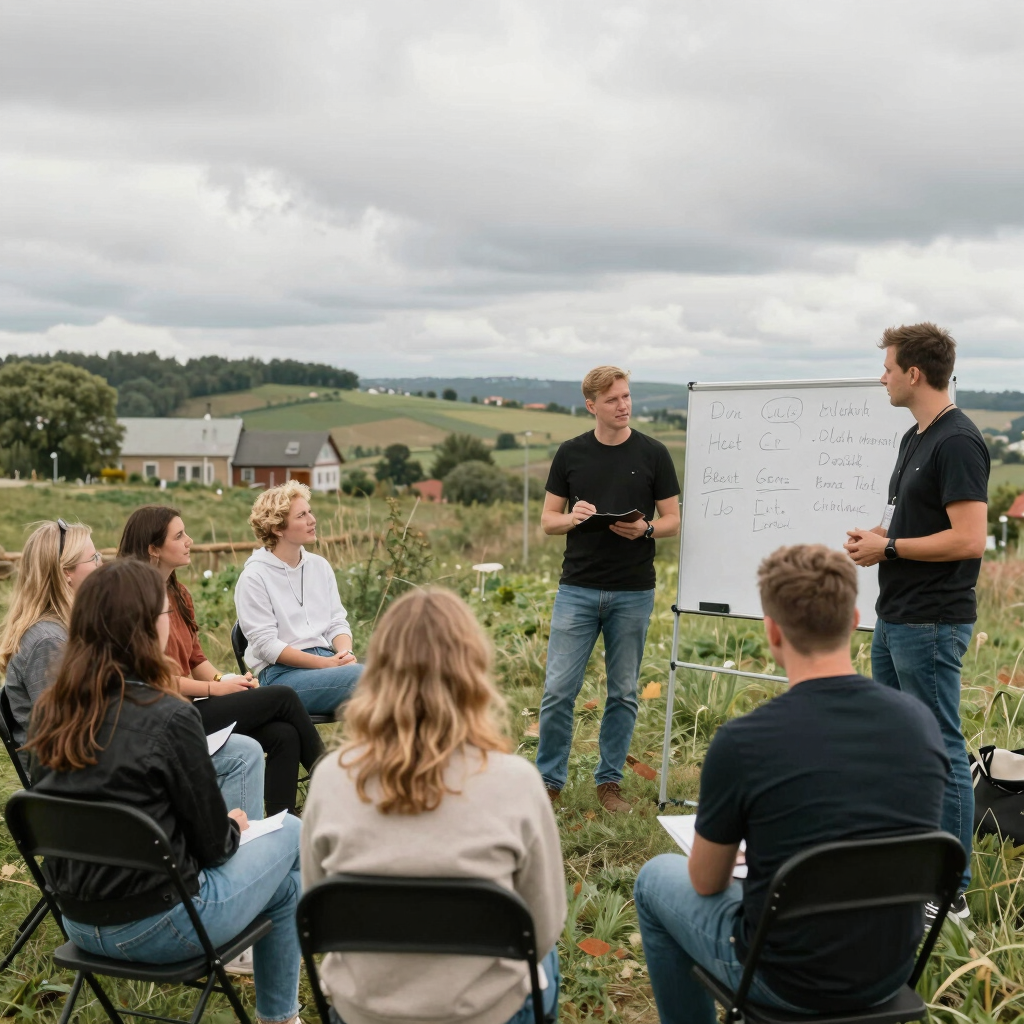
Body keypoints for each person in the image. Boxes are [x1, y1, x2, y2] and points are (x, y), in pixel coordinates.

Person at [633, 545, 949, 1024]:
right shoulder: (921, 724)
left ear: (772, 630)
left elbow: (705, 881)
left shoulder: (742, 743)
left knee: (655, 878)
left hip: (784, 979)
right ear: (854, 618)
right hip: (889, 972)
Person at [25, 560, 303, 1024]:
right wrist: (233, 826)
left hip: (78, 921)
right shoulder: (169, 716)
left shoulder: (52, 713)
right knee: (291, 830)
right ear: (142, 629)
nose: (167, 622)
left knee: (285, 885)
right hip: (163, 924)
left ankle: (283, 1009)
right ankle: (283, 1014)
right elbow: (214, 849)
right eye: (162, 615)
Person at [301, 588, 566, 1024]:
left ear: (378, 673)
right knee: (547, 961)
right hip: (483, 1012)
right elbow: (542, 927)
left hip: (364, 1011)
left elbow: (316, 909)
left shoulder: (330, 777)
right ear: (472, 670)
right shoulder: (517, 782)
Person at [845, 322, 989, 914]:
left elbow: (969, 539)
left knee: (942, 749)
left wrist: (892, 550)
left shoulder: (958, 441)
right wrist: (878, 535)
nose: (881, 376)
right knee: (900, 741)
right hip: (896, 615)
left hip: (931, 621)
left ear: (914, 373)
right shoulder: (915, 438)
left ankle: (949, 892)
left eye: (887, 366)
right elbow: (907, 517)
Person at [0, 520, 265, 822]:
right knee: (243, 755)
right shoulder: (48, 641)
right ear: (66, 574)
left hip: (107, 764)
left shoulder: (69, 628)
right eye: (94, 558)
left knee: (245, 744)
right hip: (88, 786)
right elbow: (70, 734)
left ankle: (221, 835)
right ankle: (235, 845)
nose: (102, 565)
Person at [118, 505, 325, 817]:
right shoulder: (130, 600)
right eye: (179, 535)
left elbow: (196, 658)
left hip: (192, 706)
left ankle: (281, 824)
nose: (189, 540)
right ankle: (336, 789)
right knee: (283, 696)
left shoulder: (178, 593)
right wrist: (214, 690)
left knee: (284, 733)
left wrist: (225, 680)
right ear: (153, 549)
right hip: (165, 716)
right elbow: (147, 680)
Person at [536, 365, 680, 812]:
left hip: (633, 592)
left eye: (627, 396)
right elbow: (548, 522)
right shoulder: (570, 453)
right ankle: (549, 784)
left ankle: (609, 785)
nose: (624, 405)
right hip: (577, 590)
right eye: (614, 399)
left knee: (622, 693)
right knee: (559, 691)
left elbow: (674, 520)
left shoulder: (654, 453)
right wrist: (574, 518)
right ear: (592, 405)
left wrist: (648, 531)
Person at [235, 481, 362, 715]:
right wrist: (327, 664)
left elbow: (336, 621)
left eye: (310, 512)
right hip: (282, 676)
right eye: (301, 515)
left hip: (328, 664)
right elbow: (267, 646)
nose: (312, 520)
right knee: (374, 681)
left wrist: (345, 655)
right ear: (278, 528)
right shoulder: (254, 577)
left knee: (392, 679)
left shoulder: (319, 566)